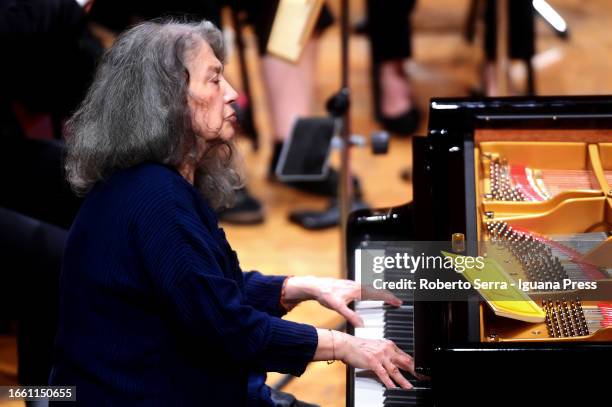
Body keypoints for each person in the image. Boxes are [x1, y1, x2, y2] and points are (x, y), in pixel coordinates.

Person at [48, 20, 416, 406]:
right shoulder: (157, 200)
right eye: (214, 80)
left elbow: (205, 288)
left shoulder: (155, 181)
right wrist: (342, 345)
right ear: (169, 101)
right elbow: (228, 329)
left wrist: (300, 287)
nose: (233, 95)